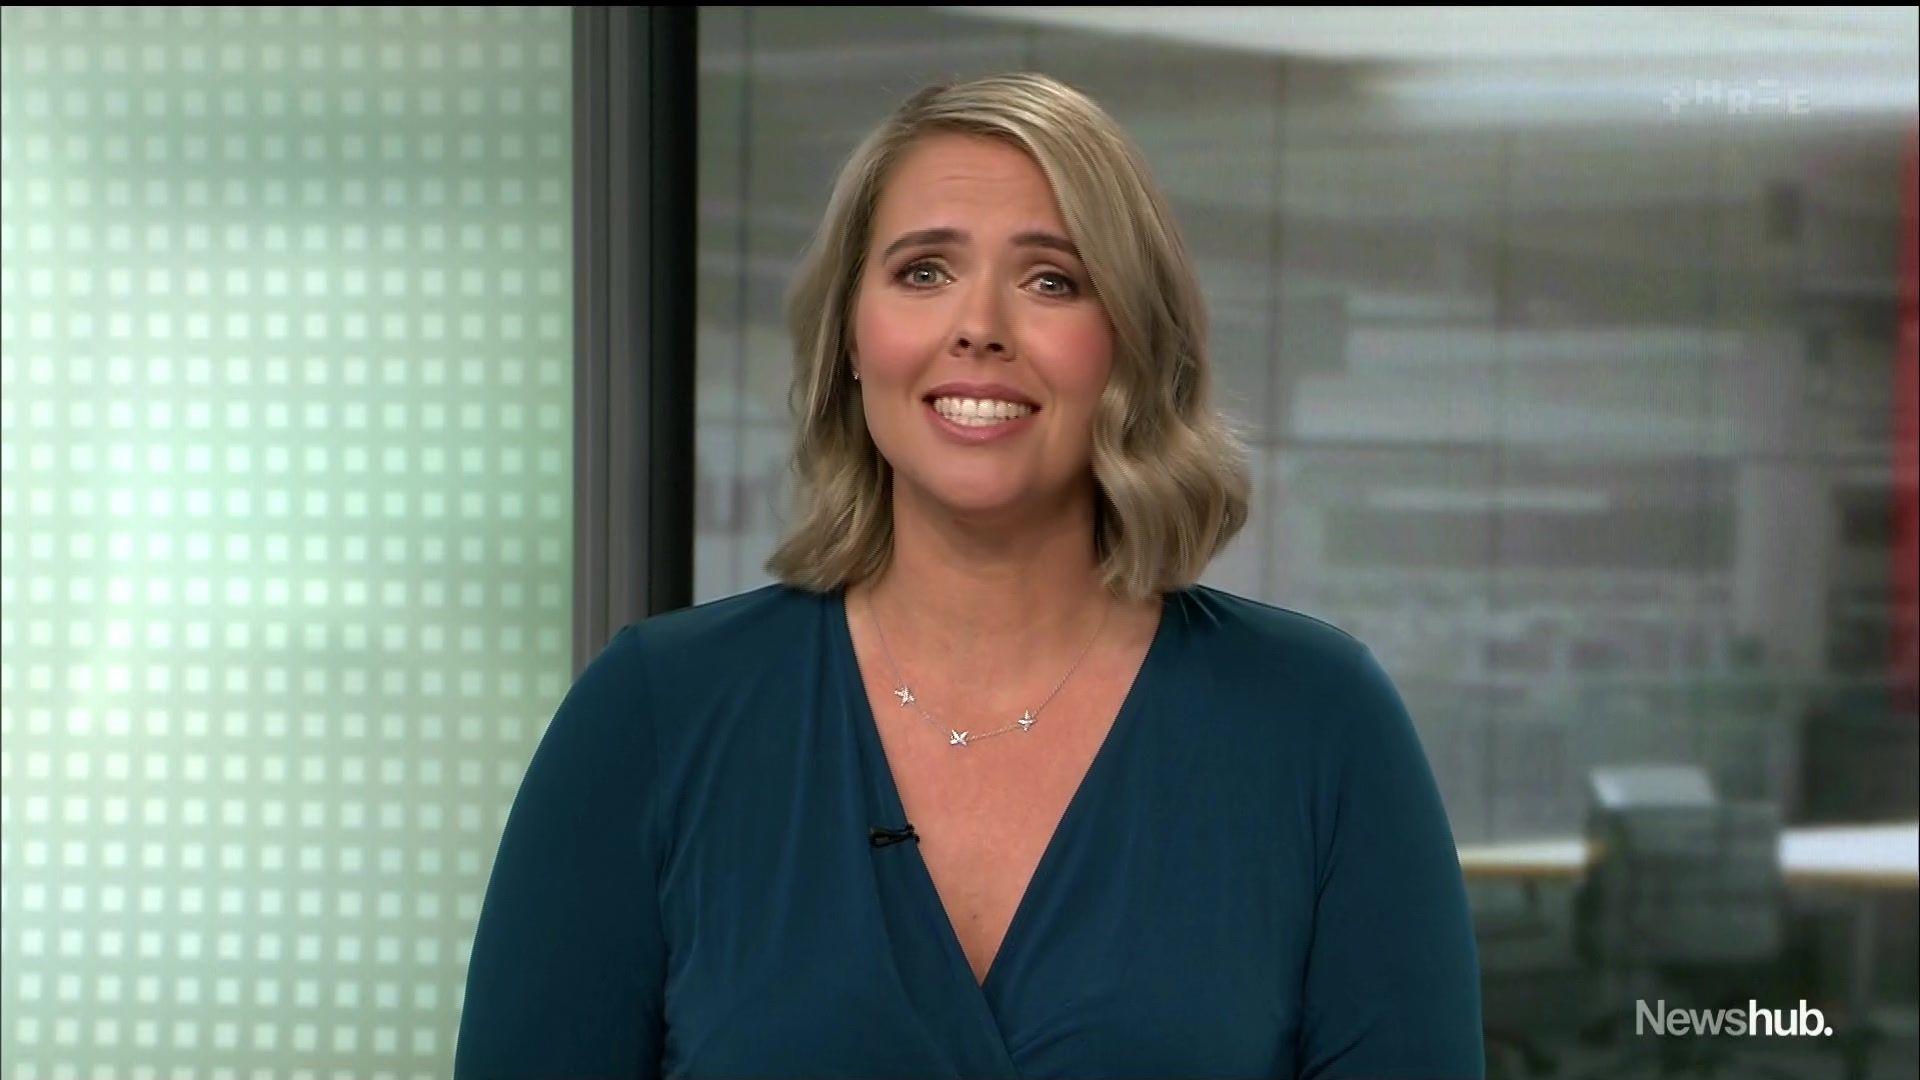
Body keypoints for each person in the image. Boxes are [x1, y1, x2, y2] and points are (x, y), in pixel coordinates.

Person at [454, 72, 1483, 1080]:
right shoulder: (654, 713)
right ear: (850, 339)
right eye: (923, 272)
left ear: (1129, 345)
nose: (979, 324)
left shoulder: (1316, 725)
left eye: (1051, 281)